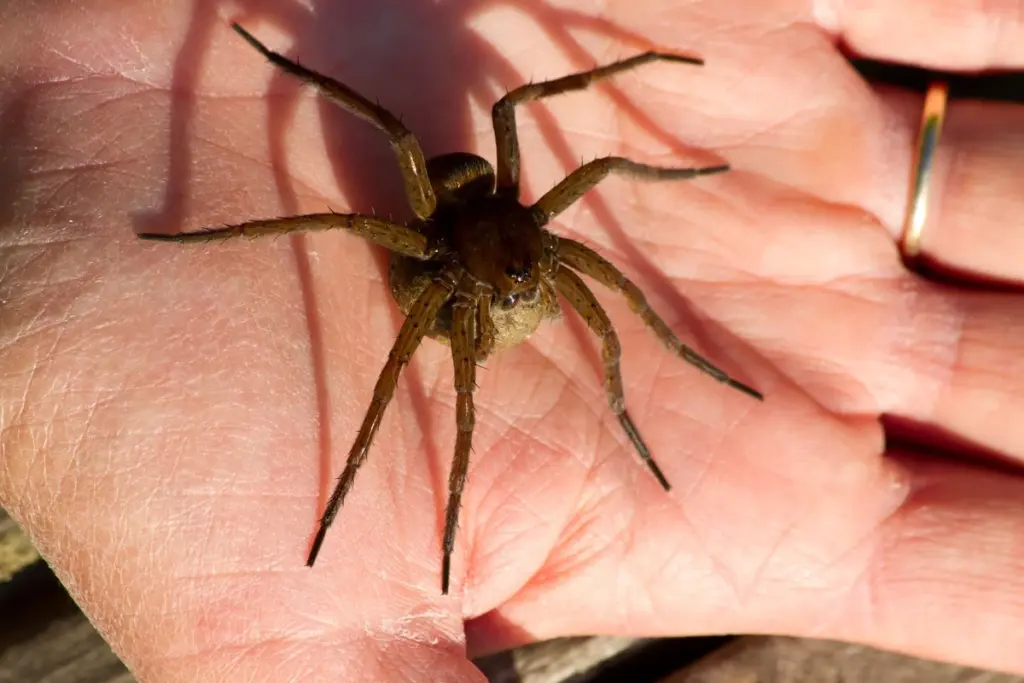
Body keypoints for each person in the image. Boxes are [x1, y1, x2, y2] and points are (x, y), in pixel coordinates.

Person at [1, 1, 1022, 680]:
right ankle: (247, 258)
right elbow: (379, 182)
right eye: (529, 265)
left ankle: (658, 384)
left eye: (538, 258)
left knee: (609, 297)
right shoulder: (439, 260)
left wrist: (657, 365)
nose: (537, 276)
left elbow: (575, 184)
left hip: (489, 222)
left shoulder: (547, 241)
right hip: (444, 240)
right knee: (428, 318)